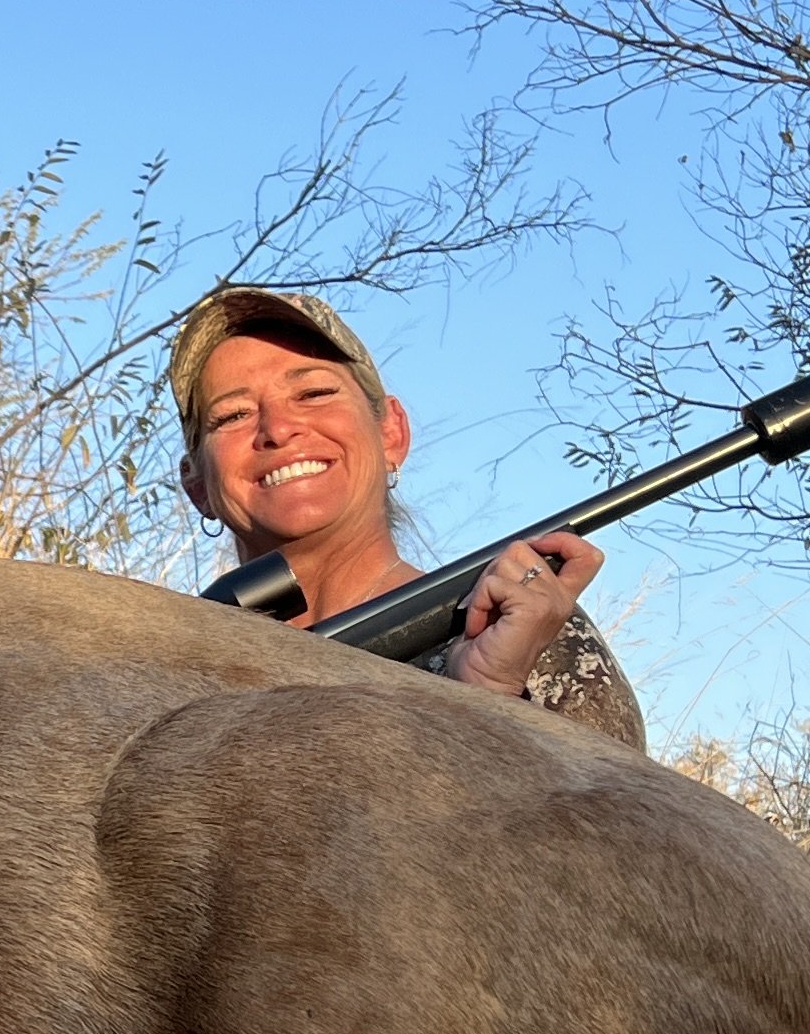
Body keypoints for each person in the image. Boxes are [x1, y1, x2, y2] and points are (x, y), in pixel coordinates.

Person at [172, 285, 647, 751]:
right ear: (196, 485)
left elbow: (616, 826)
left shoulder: (518, 627)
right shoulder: (169, 672)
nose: (277, 428)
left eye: (314, 392)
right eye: (231, 416)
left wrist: (488, 699)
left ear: (391, 432)